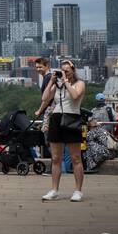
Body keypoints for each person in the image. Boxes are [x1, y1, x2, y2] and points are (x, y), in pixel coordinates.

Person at [41, 59, 86, 202]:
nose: (64, 73)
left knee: (75, 158)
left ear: (73, 70)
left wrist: (66, 81)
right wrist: (52, 81)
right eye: (63, 70)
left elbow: (75, 96)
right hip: (56, 118)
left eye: (67, 70)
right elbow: (45, 98)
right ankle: (54, 190)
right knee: (55, 158)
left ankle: (78, 190)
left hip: (72, 118)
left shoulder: (79, 84)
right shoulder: (57, 85)